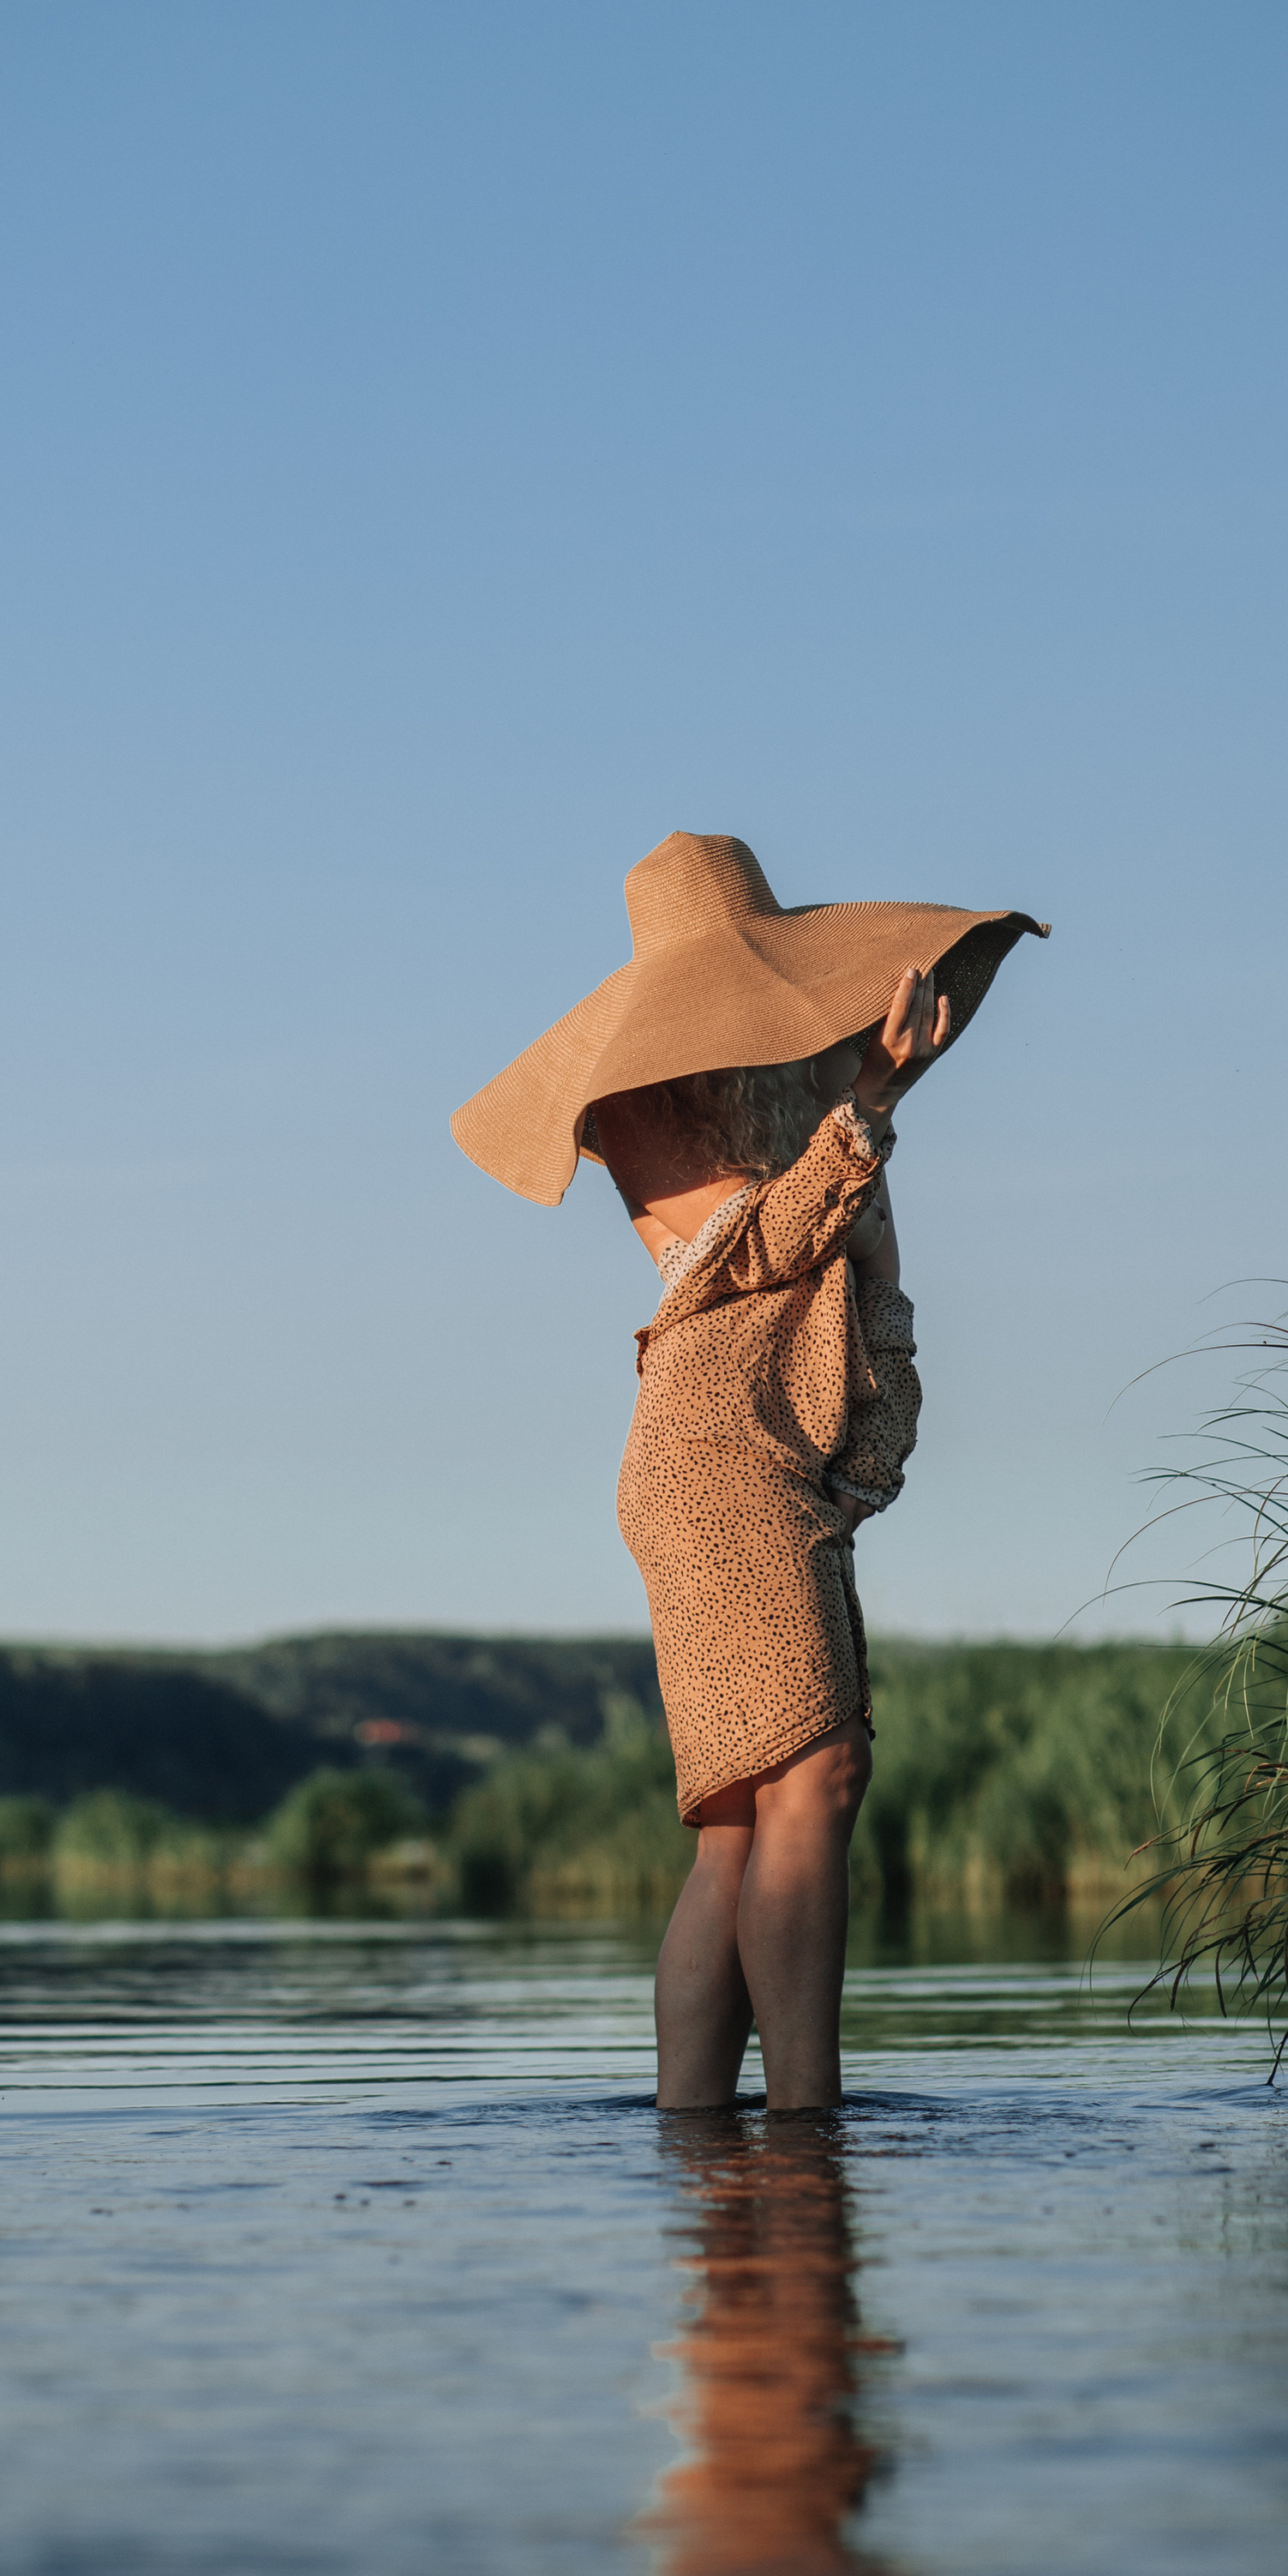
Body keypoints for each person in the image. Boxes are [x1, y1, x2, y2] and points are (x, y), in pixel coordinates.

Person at [452, 832, 1046, 2111]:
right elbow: (755, 1254)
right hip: (710, 1456)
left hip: (783, 1460)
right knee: (815, 1776)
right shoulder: (644, 1103)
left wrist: (870, 1467)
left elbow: (876, 1295)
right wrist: (871, 1109)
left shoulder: (826, 1097)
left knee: (744, 1818)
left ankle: (705, 2136)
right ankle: (805, 2123)